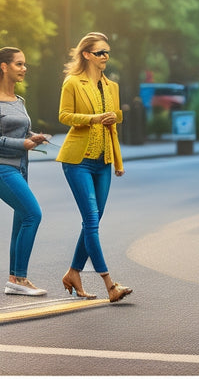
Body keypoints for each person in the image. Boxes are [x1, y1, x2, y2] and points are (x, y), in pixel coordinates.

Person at [57, 32, 132, 302]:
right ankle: (110, 285)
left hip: (104, 161)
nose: (105, 57)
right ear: (86, 54)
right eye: (100, 52)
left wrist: (115, 116)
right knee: (91, 220)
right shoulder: (72, 83)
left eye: (107, 52)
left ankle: (73, 272)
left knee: (94, 220)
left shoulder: (112, 86)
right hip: (77, 160)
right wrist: (95, 118)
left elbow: (115, 118)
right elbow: (64, 116)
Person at [0, 47, 49, 296]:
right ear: (4, 66)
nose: (24, 68)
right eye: (19, 64)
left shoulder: (19, 102)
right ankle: (19, 279)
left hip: (19, 167)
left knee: (21, 221)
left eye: (25, 64)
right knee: (33, 214)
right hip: (2, 168)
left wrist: (33, 137)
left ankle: (14, 278)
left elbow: (17, 132)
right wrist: (22, 144)